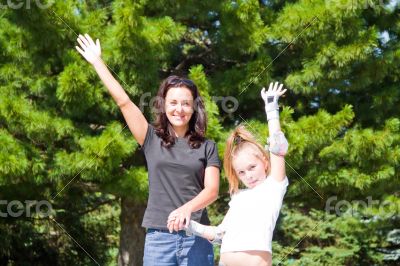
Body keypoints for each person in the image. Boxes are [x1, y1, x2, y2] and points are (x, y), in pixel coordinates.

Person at [76, 33, 220, 266]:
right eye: (173, 102)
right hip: (159, 240)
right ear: (164, 106)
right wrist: (98, 63)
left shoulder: (207, 147)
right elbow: (124, 102)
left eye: (185, 103)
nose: (179, 109)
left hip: (197, 237)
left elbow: (212, 190)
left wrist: (187, 209)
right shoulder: (151, 138)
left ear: (194, 108)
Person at [178, 82, 289, 266]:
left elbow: (277, 148)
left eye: (252, 167)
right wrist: (189, 225)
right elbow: (220, 234)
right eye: (242, 172)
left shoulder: (273, 188)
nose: (248, 175)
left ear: (265, 161)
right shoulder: (238, 198)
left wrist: (271, 110)